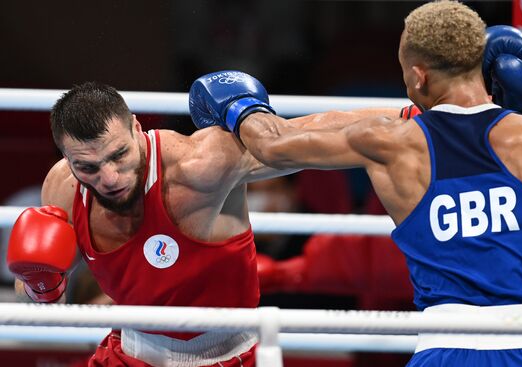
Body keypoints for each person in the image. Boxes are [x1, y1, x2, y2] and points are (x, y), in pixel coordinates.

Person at [188, 1, 522, 366]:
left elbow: (273, 146)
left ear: (419, 76)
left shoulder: (389, 142)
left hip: (447, 351)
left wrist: (239, 106)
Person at [5, 81, 311, 367]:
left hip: (234, 353)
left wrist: (251, 117)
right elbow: (43, 303)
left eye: (119, 154)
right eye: (88, 166)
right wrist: (38, 286)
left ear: (136, 129)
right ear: (68, 159)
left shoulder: (198, 166)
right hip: (131, 353)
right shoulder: (64, 188)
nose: (109, 178)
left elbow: (309, 145)